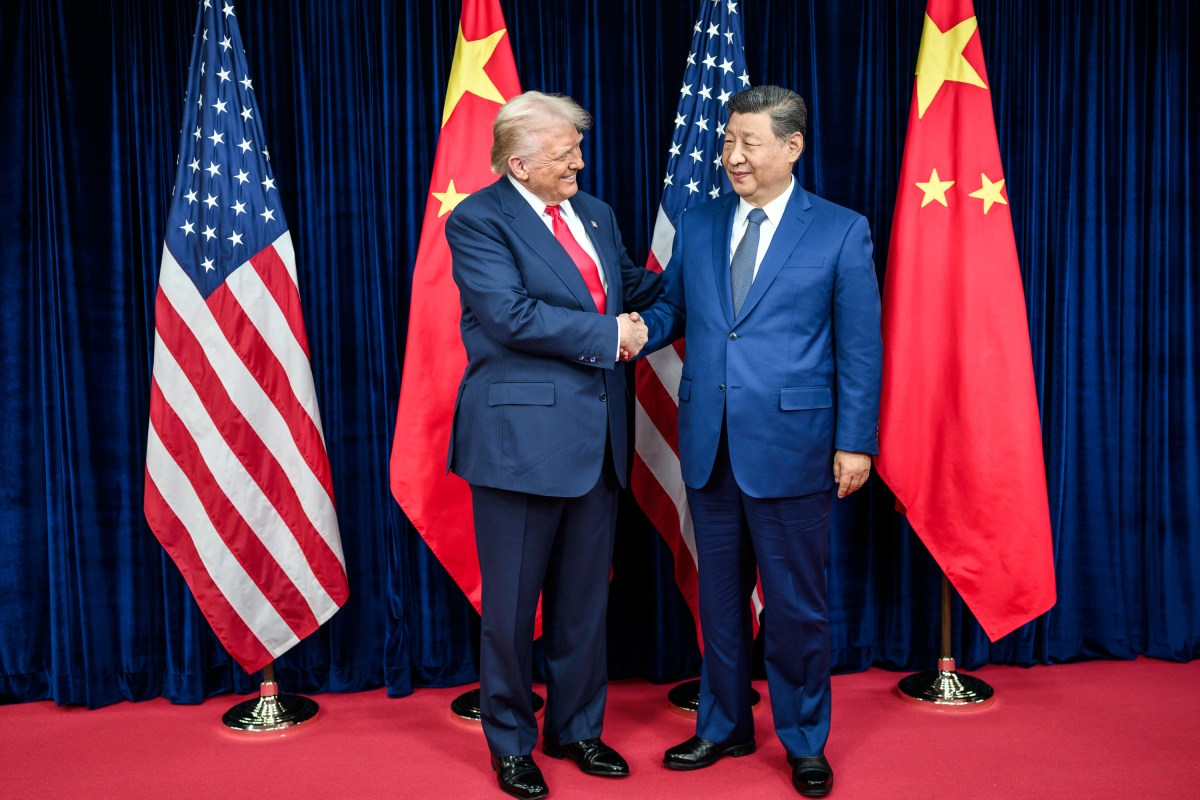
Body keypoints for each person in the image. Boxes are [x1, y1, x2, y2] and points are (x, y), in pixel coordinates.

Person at [639, 85, 882, 797]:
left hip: (797, 448)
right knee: (717, 605)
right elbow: (673, 309)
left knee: (797, 608)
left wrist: (856, 441)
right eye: (726, 142)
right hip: (710, 445)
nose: (732, 157)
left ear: (792, 147)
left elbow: (859, 349)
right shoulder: (701, 218)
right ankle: (722, 726)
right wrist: (620, 335)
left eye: (747, 143)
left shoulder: (840, 230)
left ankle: (805, 739)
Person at [444, 90, 659, 800]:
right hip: (518, 444)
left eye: (577, 148)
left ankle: (578, 729)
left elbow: (629, 286)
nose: (580, 162)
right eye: (567, 152)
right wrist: (612, 337)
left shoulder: (593, 212)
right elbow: (508, 315)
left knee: (582, 605)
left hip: (596, 442)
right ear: (520, 161)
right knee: (509, 612)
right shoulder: (479, 220)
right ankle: (511, 743)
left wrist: (705, 286)